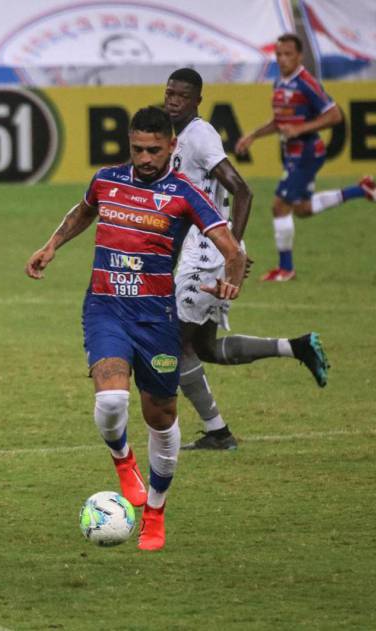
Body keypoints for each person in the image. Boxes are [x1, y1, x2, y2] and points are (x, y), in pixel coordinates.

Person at [25, 107, 246, 551]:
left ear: (171, 147)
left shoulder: (185, 194)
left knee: (160, 417)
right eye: (137, 149)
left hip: (156, 318)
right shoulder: (107, 179)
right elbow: (84, 211)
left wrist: (232, 279)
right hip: (105, 306)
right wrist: (52, 245)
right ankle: (124, 462)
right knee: (110, 401)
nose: (144, 158)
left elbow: (230, 247)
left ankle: (155, 512)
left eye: (153, 149)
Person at [164, 68, 331, 451]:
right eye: (169, 92)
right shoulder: (182, 137)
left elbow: (243, 190)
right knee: (204, 348)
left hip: (206, 254)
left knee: (175, 343)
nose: (173, 100)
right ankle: (297, 346)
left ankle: (219, 433)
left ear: (197, 101)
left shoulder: (201, 136)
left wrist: (232, 249)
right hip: (204, 249)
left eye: (182, 96)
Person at [235, 33, 376, 282]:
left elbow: (335, 115)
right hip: (292, 154)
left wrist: (300, 129)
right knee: (303, 209)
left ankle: (286, 269)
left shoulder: (307, 82)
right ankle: (362, 190)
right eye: (279, 54)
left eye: (288, 54)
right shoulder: (279, 82)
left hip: (306, 153)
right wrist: (253, 136)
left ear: (299, 55)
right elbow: (280, 122)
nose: (283, 59)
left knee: (279, 206)